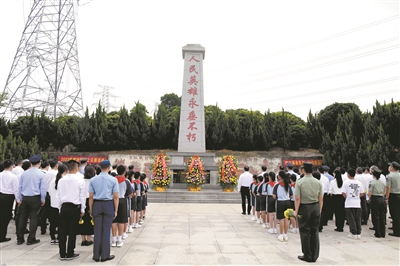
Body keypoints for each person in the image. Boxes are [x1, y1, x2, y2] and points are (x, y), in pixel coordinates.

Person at [89, 160, 119, 262]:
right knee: (106, 230)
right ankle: (105, 255)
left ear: (100, 167)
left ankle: (96, 255)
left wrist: (91, 209)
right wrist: (116, 209)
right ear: (109, 167)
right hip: (108, 204)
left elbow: (90, 196)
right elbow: (115, 196)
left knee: (97, 230)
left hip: (97, 204)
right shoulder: (113, 180)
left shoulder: (93, 180)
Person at [294, 162, 324, 263]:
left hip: (304, 207)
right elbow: (321, 198)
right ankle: (314, 255)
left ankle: (307, 254)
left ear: (303, 170)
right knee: (314, 232)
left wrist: (296, 211)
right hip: (315, 206)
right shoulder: (318, 182)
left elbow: (298, 198)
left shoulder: (300, 182)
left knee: (304, 231)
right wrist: (319, 210)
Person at [57, 160, 86, 261]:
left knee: (63, 231)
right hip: (74, 207)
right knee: (72, 230)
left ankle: (62, 253)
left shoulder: (61, 180)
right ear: (76, 168)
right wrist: (83, 209)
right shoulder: (79, 180)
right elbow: (82, 196)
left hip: (64, 207)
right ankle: (70, 252)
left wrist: (59, 208)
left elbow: (58, 196)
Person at [17, 154, 46, 245]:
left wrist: (19, 199)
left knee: (23, 218)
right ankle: (31, 238)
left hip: (25, 197)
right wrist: (43, 199)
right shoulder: (41, 174)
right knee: (34, 218)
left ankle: (20, 238)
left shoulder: (24, 173)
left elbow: (20, 187)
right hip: (35, 197)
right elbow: (42, 189)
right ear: (39, 163)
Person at [342, 168, 364, 239]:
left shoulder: (346, 183)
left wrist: (348, 197)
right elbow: (362, 193)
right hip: (357, 203)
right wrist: (357, 197)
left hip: (349, 203)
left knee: (351, 218)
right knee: (358, 218)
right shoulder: (359, 183)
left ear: (348, 175)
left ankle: (353, 232)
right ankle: (358, 232)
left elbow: (343, 193)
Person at [48, 164, 67, 244]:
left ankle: (52, 238)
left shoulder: (53, 180)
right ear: (65, 171)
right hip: (61, 205)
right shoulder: (64, 180)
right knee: (61, 223)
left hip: (53, 204)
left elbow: (49, 191)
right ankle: (59, 237)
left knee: (53, 222)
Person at [111, 165, 130, 247]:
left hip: (113, 200)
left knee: (114, 220)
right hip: (122, 200)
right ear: (125, 172)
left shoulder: (112, 180)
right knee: (121, 220)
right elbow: (130, 193)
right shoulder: (126, 181)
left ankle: (113, 239)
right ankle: (119, 239)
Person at [0, 159, 18, 242]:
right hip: (8, 197)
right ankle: (2, 235)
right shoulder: (13, 177)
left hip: (1, 195)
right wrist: (18, 200)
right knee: (6, 217)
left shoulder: (0, 175)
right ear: (11, 166)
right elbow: (15, 189)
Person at [273, 171, 293, 242]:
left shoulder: (277, 185)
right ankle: (285, 234)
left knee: (281, 219)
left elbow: (274, 196)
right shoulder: (288, 185)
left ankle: (281, 234)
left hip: (280, 202)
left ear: (279, 176)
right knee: (286, 219)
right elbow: (291, 195)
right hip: (287, 202)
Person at [78, 165, 95, 246]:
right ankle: (88, 239)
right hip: (90, 200)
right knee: (90, 220)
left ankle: (83, 239)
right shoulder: (94, 181)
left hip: (82, 200)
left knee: (82, 220)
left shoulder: (81, 181)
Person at [368, 166, 386, 238]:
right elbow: (384, 191)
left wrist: (369, 198)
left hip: (375, 199)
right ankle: (383, 232)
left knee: (375, 216)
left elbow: (370, 192)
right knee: (382, 215)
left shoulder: (372, 183)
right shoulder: (382, 182)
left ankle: (377, 232)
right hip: (381, 198)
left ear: (373, 175)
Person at [385, 161, 400, 237]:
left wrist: (386, 197)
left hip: (393, 195)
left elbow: (388, 187)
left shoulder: (389, 176)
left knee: (394, 213)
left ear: (392, 168)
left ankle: (397, 231)